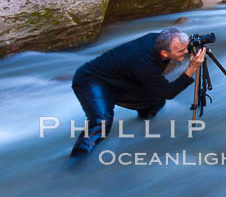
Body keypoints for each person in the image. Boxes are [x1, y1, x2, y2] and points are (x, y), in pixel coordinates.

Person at [70, 27, 207, 156]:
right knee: (101, 121)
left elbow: (160, 89)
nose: (187, 52)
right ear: (164, 53)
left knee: (155, 100)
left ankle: (141, 131)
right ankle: (77, 161)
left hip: (121, 79)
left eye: (187, 47)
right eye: (182, 51)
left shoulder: (162, 41)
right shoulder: (144, 61)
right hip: (91, 80)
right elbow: (169, 92)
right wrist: (191, 69)